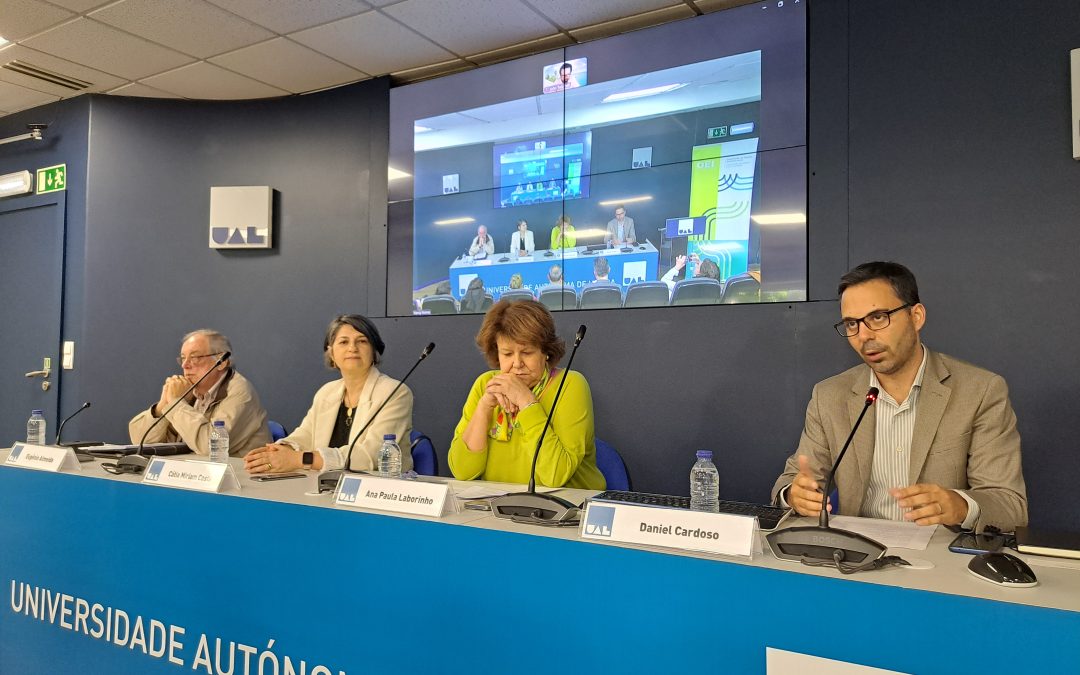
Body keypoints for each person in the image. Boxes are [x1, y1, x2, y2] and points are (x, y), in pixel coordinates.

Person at [772, 262, 1027, 531]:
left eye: (878, 317)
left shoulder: (980, 391)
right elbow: (789, 482)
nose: (864, 336)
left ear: (916, 316)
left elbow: (1010, 505)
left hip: (942, 558)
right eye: (851, 324)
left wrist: (960, 506)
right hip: (853, 554)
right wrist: (794, 495)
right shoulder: (829, 395)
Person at [448, 299, 605, 489]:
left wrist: (526, 401)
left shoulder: (570, 385)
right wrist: (483, 409)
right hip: (498, 510)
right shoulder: (485, 385)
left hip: (568, 510)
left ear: (546, 351)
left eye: (527, 353)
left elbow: (555, 476)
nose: (516, 364)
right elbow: (462, 471)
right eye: (507, 354)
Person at [243, 315, 413, 475]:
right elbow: (304, 436)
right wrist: (281, 452)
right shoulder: (327, 392)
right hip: (327, 487)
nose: (352, 348)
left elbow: (372, 455)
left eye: (361, 341)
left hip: (377, 492)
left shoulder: (394, 392)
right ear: (331, 354)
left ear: (374, 351)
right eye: (344, 342)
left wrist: (300, 459)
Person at [128, 330, 270, 456]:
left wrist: (176, 404)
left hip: (238, 480)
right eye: (183, 358)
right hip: (194, 476)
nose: (185, 365)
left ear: (221, 362)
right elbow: (140, 441)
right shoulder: (188, 390)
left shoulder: (240, 392)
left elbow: (211, 447)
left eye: (195, 358)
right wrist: (163, 405)